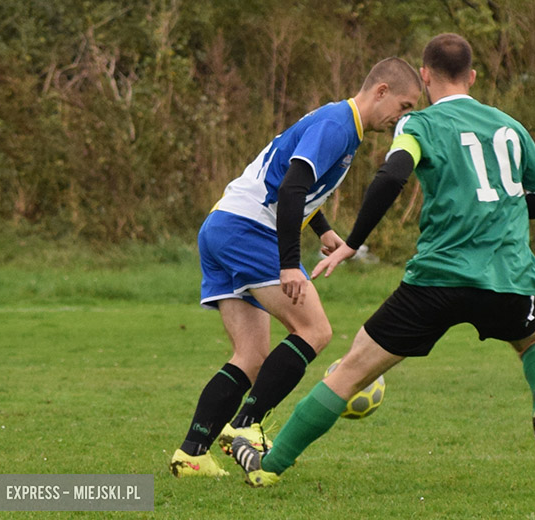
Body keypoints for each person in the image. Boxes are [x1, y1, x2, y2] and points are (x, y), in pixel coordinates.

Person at [231, 33, 535, 487]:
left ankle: (268, 468)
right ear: (472, 76)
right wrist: (498, 210)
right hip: (507, 276)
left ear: (425, 76)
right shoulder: (508, 126)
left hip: (437, 279)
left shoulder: (418, 125)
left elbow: (392, 175)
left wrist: (353, 241)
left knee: (351, 370)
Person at [169, 57, 422, 477]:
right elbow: (290, 187)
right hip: (247, 231)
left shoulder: (339, 124)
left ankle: (192, 453)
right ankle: (246, 427)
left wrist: (321, 228)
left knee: (251, 355)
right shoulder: (338, 125)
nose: (403, 116)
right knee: (315, 330)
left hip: (223, 225)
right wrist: (289, 264)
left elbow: (291, 181)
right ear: (380, 91)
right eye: (404, 105)